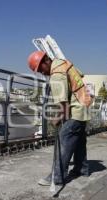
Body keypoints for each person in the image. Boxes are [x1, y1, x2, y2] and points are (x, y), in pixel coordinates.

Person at [27, 51, 91, 185]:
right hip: (83, 109)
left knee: (64, 141)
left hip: (75, 111)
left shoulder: (56, 75)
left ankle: (57, 177)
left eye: (40, 69)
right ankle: (81, 169)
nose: (41, 73)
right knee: (79, 141)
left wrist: (56, 120)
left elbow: (64, 105)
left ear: (46, 61)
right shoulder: (63, 64)